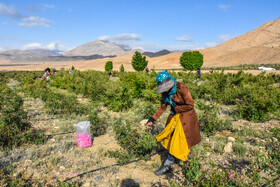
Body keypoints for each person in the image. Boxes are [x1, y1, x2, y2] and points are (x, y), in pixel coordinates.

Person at [146, 71, 201, 176]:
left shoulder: (182, 89)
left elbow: (190, 105)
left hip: (186, 117)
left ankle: (168, 164)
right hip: (174, 116)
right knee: (170, 136)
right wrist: (152, 119)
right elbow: (163, 107)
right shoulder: (165, 93)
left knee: (179, 139)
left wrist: (176, 108)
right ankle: (182, 156)